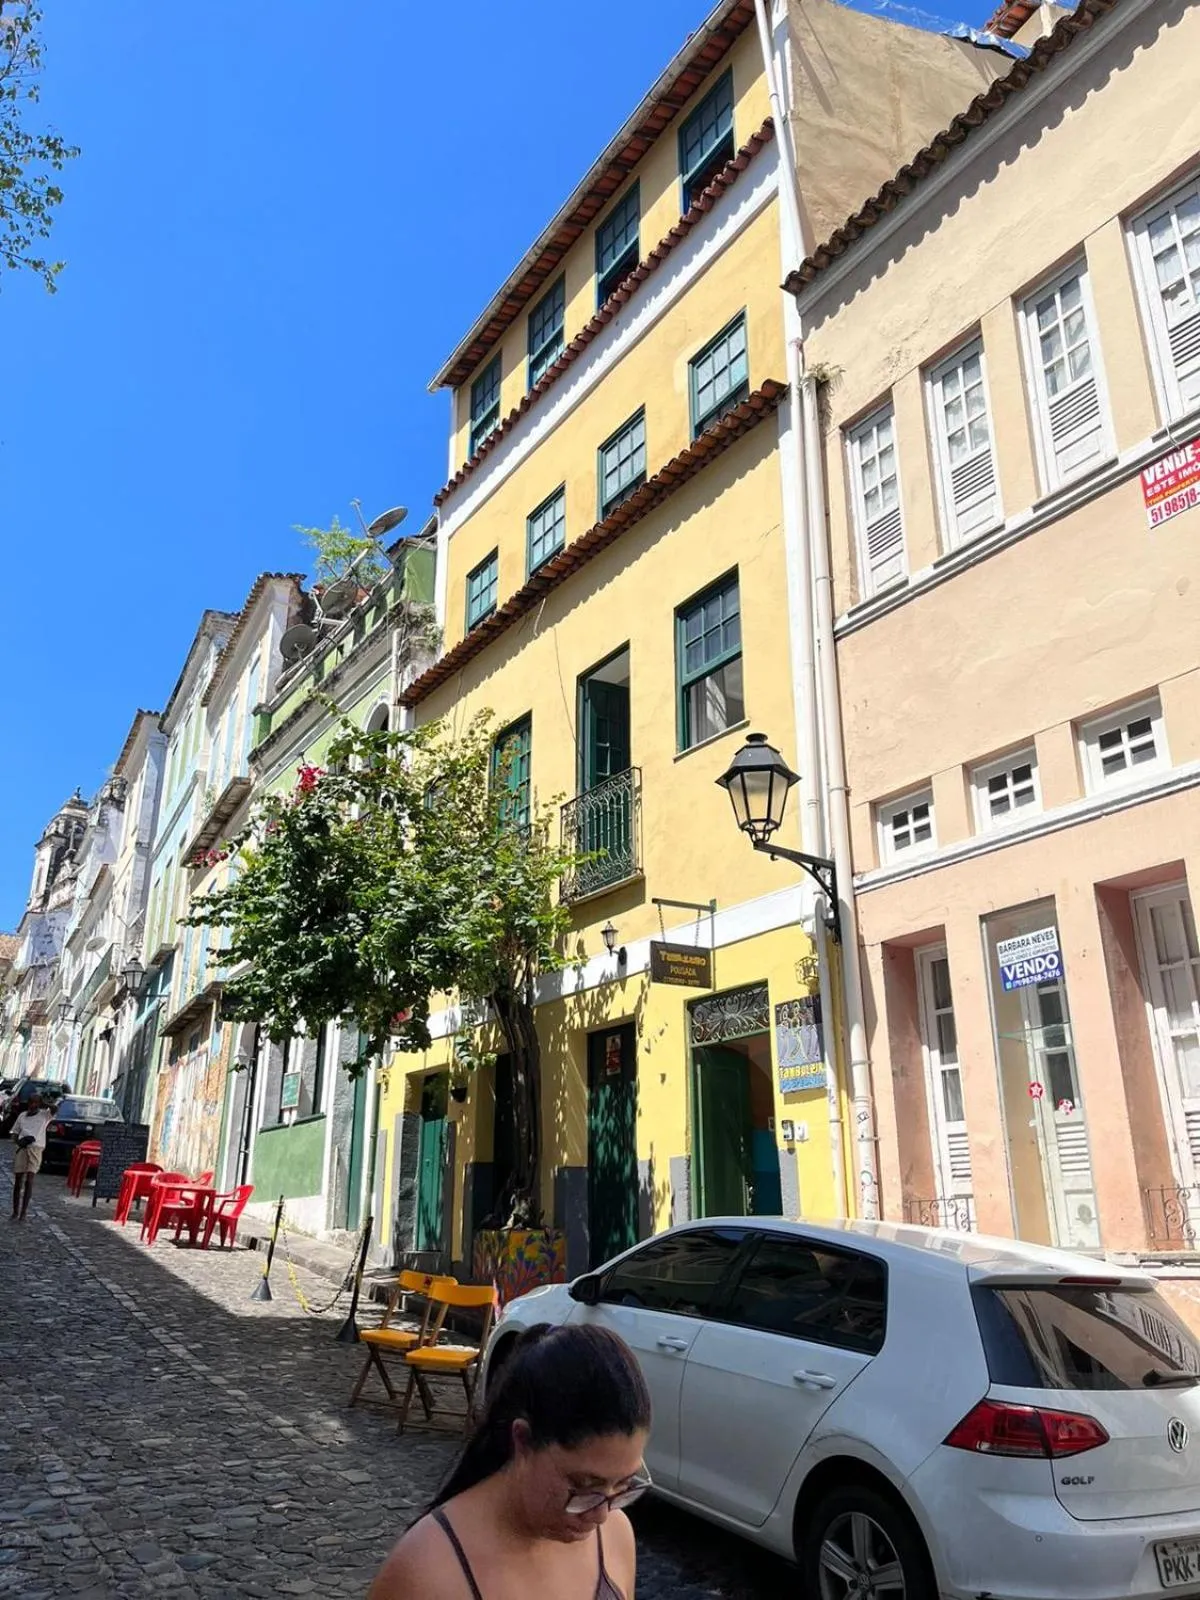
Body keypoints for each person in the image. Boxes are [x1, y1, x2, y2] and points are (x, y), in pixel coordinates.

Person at [369, 1322, 651, 1600]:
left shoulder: (615, 1534)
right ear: (523, 1440)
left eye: (623, 1486)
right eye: (584, 1485)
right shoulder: (427, 1572)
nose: (601, 1515)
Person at [10, 1092, 53, 1221]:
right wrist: (19, 1142)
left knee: (29, 1180)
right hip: (22, 1148)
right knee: (18, 1181)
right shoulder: (22, 1116)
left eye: (36, 1103)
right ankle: (15, 1211)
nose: (33, 1105)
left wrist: (44, 1104)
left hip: (36, 1149)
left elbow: (55, 1109)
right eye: (31, 1102)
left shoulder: (45, 1115)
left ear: (39, 1104)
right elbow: (14, 1132)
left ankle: (23, 1212)